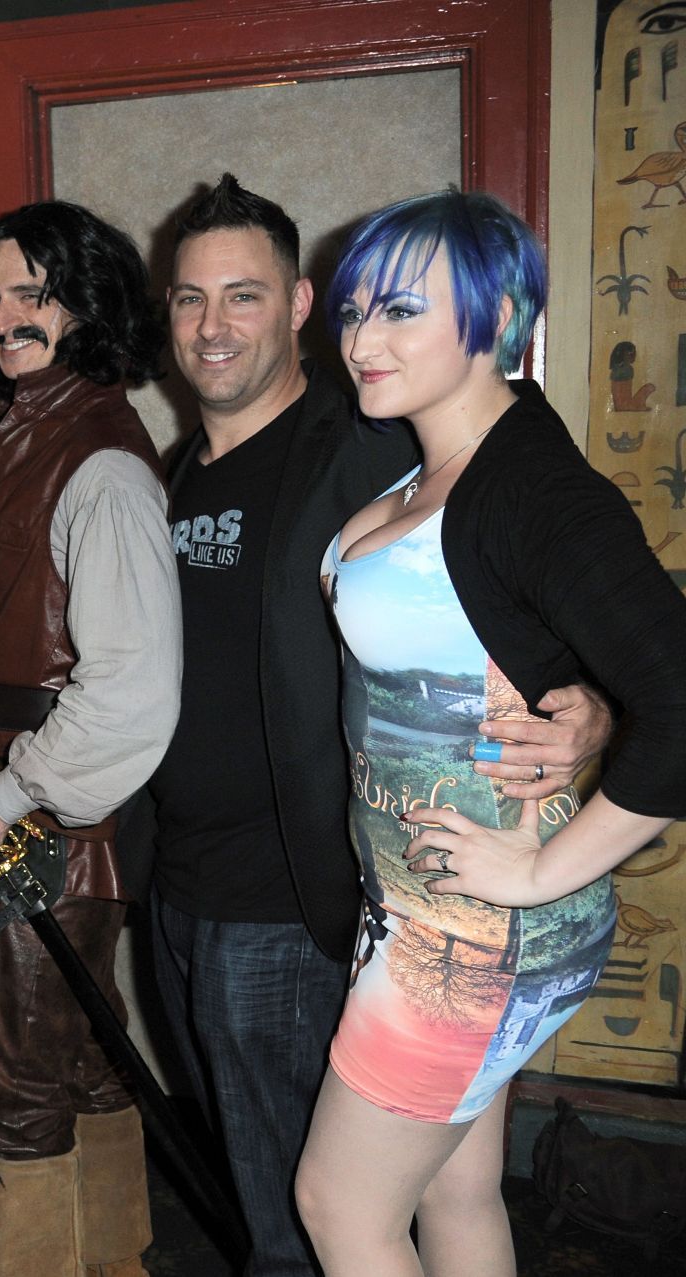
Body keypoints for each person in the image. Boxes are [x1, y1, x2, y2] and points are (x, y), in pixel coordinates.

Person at [144, 174, 611, 1277]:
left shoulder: (372, 438)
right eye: (189, 297)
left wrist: (587, 702)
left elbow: (540, 564)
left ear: (297, 304)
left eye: (244, 294)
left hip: (310, 896)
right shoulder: (170, 473)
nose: (213, 325)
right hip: (189, 881)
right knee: (406, 1194)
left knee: (322, 1216)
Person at [296, 190, 686, 1276]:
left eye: (401, 311)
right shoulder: (448, 466)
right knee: (458, 1194)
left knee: (340, 1207)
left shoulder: (534, 485)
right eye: (354, 309)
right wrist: (586, 699)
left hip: (472, 932)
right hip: (433, 911)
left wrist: (544, 866)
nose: (361, 340)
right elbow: (520, 637)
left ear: (498, 312)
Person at [0, 202, 180, 1277]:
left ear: (89, 302)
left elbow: (129, 691)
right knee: (77, 1059)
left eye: (35, 292)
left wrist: (4, 796)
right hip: (45, 803)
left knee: (17, 1082)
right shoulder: (24, 421)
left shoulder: (102, 462)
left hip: (63, 817)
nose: (6, 315)